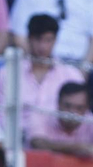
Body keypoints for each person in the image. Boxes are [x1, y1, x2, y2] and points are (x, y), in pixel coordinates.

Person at [17, 12, 87, 148]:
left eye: (48, 40)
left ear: (55, 40)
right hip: (19, 144)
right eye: (38, 39)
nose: (43, 46)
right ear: (29, 39)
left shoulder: (71, 74)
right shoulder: (9, 74)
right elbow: (3, 116)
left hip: (61, 146)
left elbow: (81, 114)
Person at [29, 81, 93, 158]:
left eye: (79, 108)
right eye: (67, 106)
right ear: (58, 103)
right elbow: (38, 144)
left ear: (87, 108)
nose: (72, 112)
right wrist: (79, 148)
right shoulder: (41, 115)